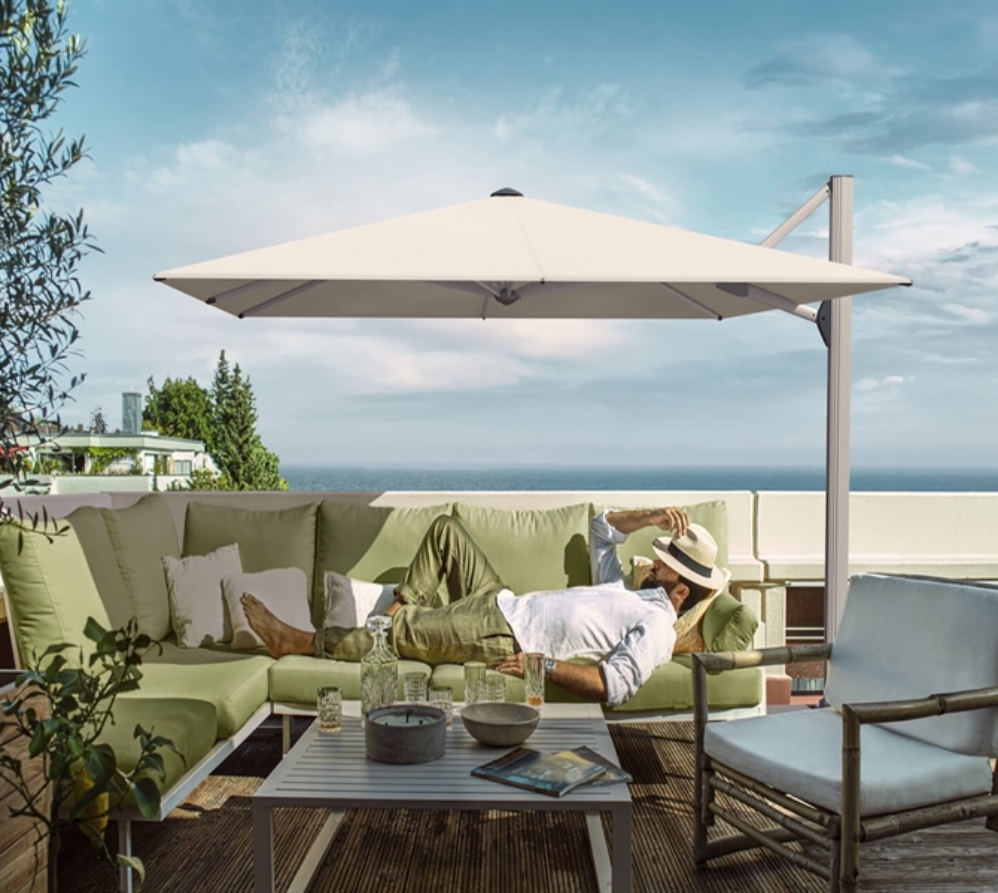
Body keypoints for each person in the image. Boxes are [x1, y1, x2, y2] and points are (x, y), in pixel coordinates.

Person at [241, 507, 730, 707]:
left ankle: (302, 641)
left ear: (680, 592)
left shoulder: (656, 627)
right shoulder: (628, 590)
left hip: (502, 634)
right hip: (503, 599)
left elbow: (615, 685)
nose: (654, 561)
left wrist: (545, 664)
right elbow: (604, 530)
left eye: (663, 563)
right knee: (446, 531)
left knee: (404, 631)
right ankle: (399, 614)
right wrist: (647, 517)